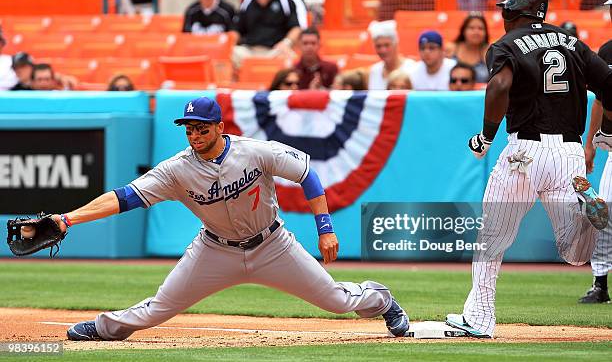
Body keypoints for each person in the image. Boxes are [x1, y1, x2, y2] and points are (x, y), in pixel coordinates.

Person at [58, 96, 409, 341]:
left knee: (337, 300)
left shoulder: (253, 151)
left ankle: (381, 299)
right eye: (189, 129)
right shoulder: (177, 170)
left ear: (219, 126)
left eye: (202, 128)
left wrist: (325, 228)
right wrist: (68, 219)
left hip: (272, 245)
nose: (195, 136)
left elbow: (307, 174)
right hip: (215, 250)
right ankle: (104, 328)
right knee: (159, 307)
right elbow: (125, 197)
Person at [446, 0, 612, 339]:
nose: (503, 12)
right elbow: (609, 85)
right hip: (570, 153)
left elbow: (499, 86)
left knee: (493, 237)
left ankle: (479, 320)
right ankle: (589, 210)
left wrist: (487, 136)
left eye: (507, 6)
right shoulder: (572, 43)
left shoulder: (506, 45)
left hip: (525, 151)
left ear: (517, 10)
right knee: (574, 253)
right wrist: (605, 132)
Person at [580, 0, 612, 304]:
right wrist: (589, 142)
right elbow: (599, 101)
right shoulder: (607, 51)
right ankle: (600, 283)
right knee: (602, 213)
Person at [231, 0, 307, 70]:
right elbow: (237, 29)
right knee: (232, 53)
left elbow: (298, 28)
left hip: (276, 50)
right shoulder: (248, 0)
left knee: (289, 57)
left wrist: (286, 43)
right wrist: (230, 42)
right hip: (249, 50)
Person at [367, 20, 415, 90]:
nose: (383, 50)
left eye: (387, 45)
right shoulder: (374, 71)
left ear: (396, 45)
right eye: (378, 46)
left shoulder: (412, 68)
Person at [447, 13, 490, 83]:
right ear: (463, 31)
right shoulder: (451, 49)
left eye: (480, 28)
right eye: (471, 28)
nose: (476, 32)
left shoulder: (490, 51)